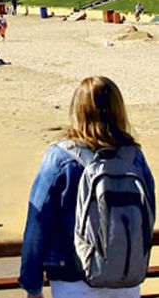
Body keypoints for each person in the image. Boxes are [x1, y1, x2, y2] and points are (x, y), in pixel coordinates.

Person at [19, 76, 155, 298]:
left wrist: (31, 284)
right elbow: (148, 213)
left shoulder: (61, 156)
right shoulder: (134, 156)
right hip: (126, 276)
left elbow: (38, 222)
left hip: (73, 278)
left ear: (77, 110)